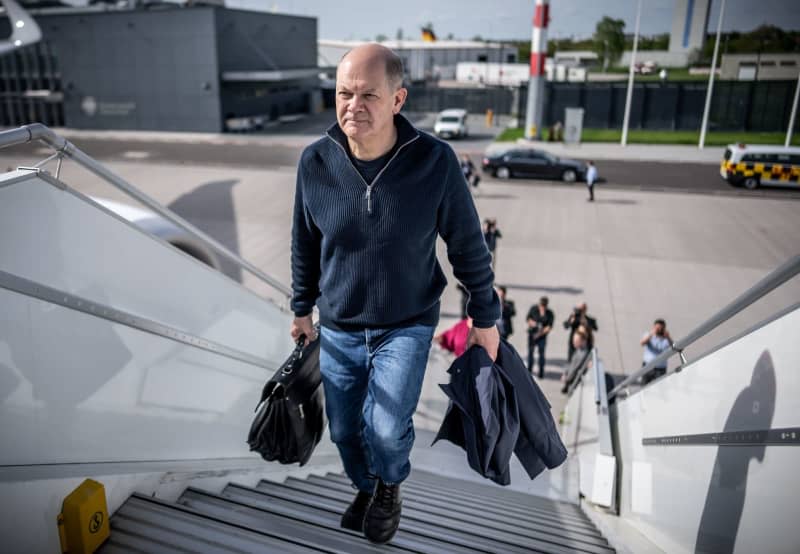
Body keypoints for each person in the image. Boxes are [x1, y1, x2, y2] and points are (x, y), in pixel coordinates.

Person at [290, 43, 500, 545]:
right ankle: (366, 486)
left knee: (384, 430)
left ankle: (389, 486)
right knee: (343, 433)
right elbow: (304, 241)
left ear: (398, 99)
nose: (352, 106)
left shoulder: (435, 161)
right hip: (338, 325)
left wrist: (484, 318)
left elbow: (468, 245)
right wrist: (301, 307)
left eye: (368, 94)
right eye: (344, 92)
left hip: (406, 323)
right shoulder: (315, 162)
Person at [526, 296, 554, 379]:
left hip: (541, 336)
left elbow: (549, 327)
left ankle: (541, 372)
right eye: (541, 305)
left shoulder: (549, 313)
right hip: (532, 334)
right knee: (530, 352)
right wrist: (533, 323)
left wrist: (539, 334)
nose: (542, 307)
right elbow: (528, 318)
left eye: (544, 305)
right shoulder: (534, 309)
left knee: (541, 354)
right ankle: (529, 370)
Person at [640, 319, 672, 385]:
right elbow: (642, 343)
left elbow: (672, 347)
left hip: (660, 368)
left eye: (661, 328)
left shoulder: (666, 339)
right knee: (644, 386)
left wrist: (668, 337)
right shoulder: (648, 335)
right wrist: (651, 335)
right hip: (648, 365)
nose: (659, 330)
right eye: (657, 328)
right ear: (654, 327)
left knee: (659, 386)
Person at [561, 325, 592, 394]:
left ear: (583, 341)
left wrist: (566, 378)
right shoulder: (579, 349)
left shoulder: (582, 354)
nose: (573, 343)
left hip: (574, 385)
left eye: (576, 341)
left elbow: (574, 369)